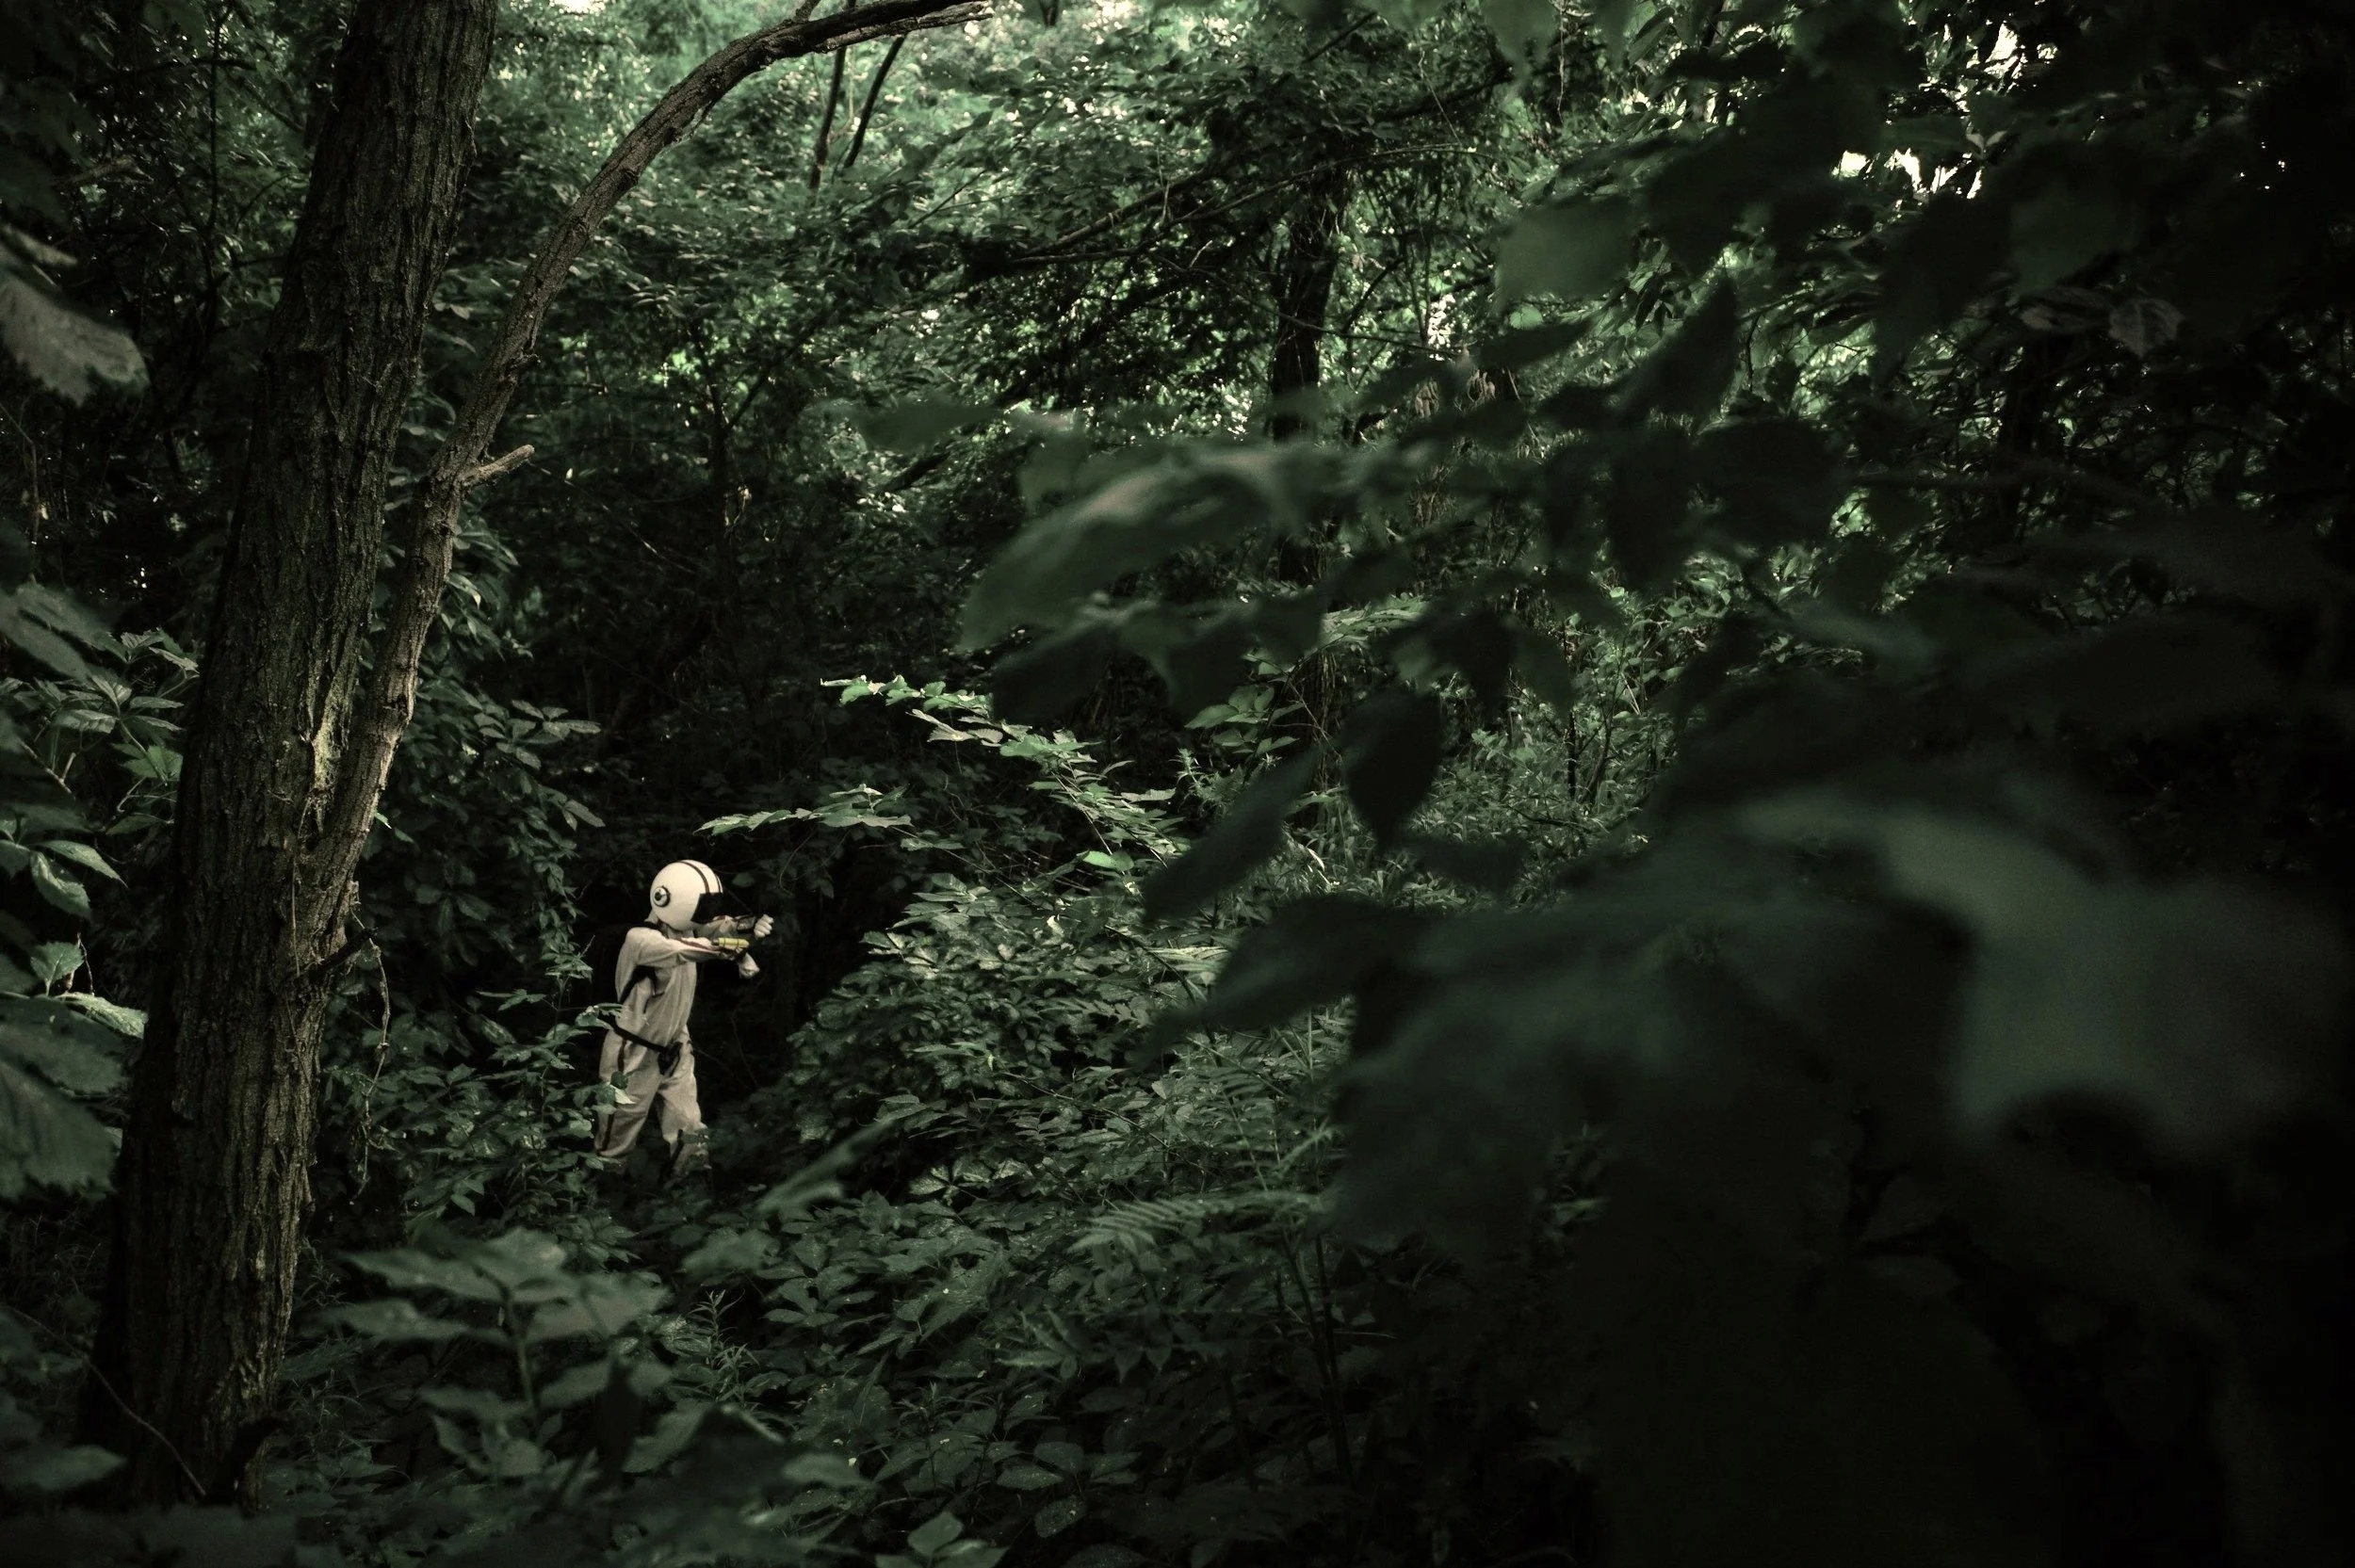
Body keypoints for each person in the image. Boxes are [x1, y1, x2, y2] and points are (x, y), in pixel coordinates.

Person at [593, 858, 771, 1178]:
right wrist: (738, 945)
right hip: (632, 1053)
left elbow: (716, 927)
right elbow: (690, 948)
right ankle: (596, 1204)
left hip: (675, 1046)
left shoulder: (685, 929)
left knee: (690, 1126)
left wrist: (747, 925)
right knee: (615, 1138)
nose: (705, 915)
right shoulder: (642, 940)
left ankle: (689, 1195)